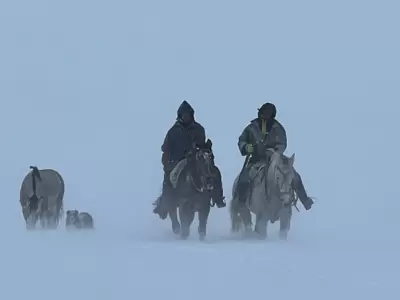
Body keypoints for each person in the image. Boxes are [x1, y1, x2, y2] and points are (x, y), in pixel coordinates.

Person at [153, 101, 226, 219]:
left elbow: (202, 144)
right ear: (180, 116)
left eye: (188, 114)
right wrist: (167, 166)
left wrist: (204, 148)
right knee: (170, 179)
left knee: (215, 172)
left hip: (197, 158)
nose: (186, 117)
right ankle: (165, 204)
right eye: (184, 115)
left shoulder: (199, 128)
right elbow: (166, 149)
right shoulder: (173, 131)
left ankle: (218, 198)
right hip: (179, 160)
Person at [236, 102, 314, 210]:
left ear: (272, 115)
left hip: (276, 159)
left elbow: (282, 143)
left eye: (267, 114)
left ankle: (305, 200)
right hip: (256, 159)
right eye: (262, 113)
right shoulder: (251, 128)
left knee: (294, 175)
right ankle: (240, 204)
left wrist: (275, 152)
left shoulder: (278, 128)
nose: (263, 116)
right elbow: (242, 140)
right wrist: (245, 147)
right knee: (244, 178)